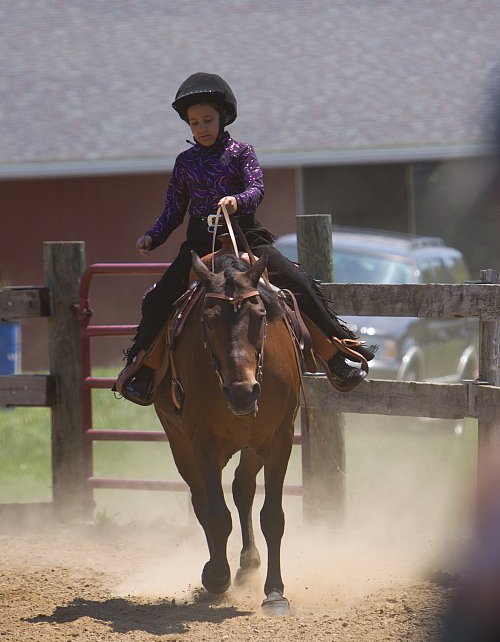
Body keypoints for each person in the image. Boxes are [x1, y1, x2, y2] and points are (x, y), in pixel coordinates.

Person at [115, 72, 376, 405]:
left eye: (207, 120)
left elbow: (257, 189)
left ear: (223, 118)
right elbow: (174, 209)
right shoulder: (185, 163)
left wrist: (238, 200)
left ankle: (339, 353)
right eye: (194, 123)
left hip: (246, 236)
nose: (201, 128)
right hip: (200, 242)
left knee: (299, 281)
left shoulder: (241, 153)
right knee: (159, 297)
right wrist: (153, 235)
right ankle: (143, 369)